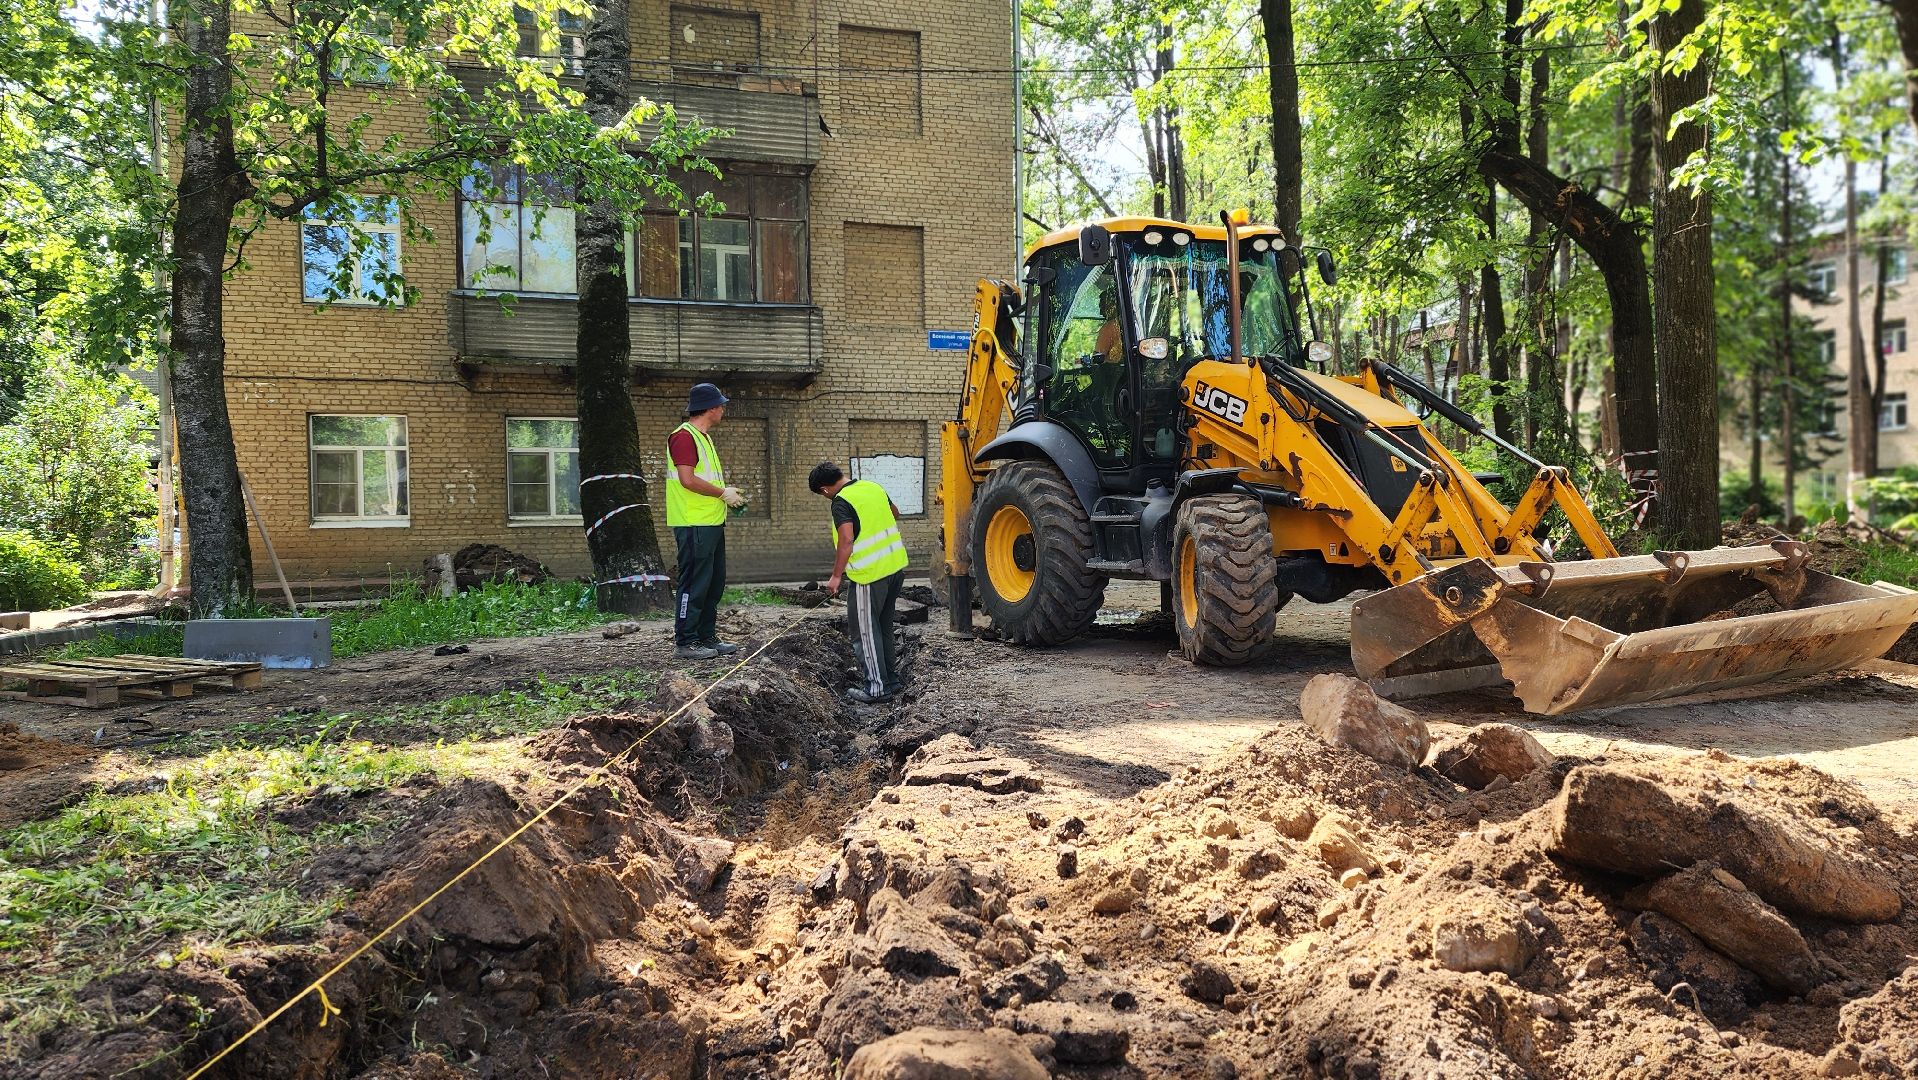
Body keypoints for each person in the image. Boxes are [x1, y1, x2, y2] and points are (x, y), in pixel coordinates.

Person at [808, 461, 909, 704]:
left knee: (864, 632)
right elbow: (895, 513)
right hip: (894, 568)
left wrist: (835, 576)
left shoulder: (841, 502)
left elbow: (846, 540)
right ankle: (891, 681)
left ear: (824, 490)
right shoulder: (871, 487)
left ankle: (876, 688)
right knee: (883, 626)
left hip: (869, 575)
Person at [666, 383, 747, 660]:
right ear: (710, 408)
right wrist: (723, 493)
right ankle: (686, 641)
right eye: (720, 405)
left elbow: (703, 478)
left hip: (710, 522)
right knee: (694, 583)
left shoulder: (704, 438)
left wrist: (725, 492)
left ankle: (706, 636)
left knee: (713, 582)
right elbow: (687, 480)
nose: (723, 409)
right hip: (693, 523)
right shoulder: (684, 437)